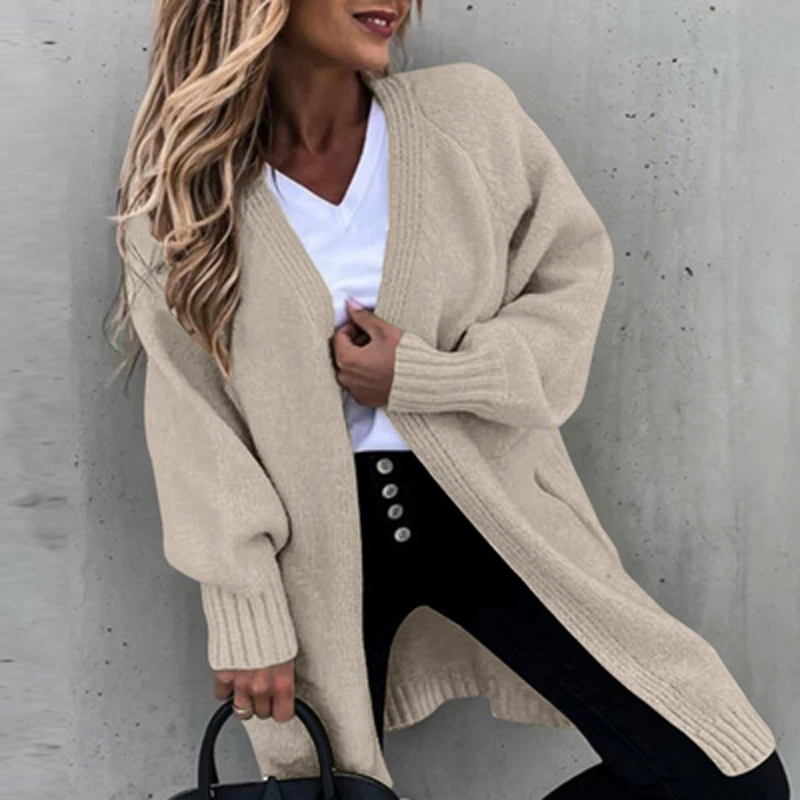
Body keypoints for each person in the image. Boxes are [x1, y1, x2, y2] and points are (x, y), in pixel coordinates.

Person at [106, 1, 791, 797]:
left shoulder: (468, 115)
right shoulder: (186, 189)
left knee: (726, 776)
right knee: (332, 790)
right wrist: (245, 610)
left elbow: (570, 280)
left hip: (491, 512)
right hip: (311, 561)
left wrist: (428, 376)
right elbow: (193, 422)